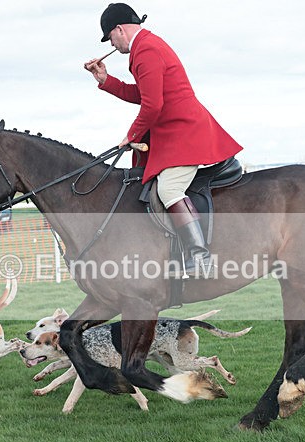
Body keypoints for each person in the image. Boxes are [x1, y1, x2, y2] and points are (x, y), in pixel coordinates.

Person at [84, 3, 242, 276]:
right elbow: (145, 95)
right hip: (175, 132)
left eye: (110, 37)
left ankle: (199, 256)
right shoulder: (145, 46)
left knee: (169, 191)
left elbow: (153, 105)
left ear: (120, 29)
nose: (112, 43)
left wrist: (131, 135)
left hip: (184, 133)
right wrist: (106, 80)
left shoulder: (145, 49)